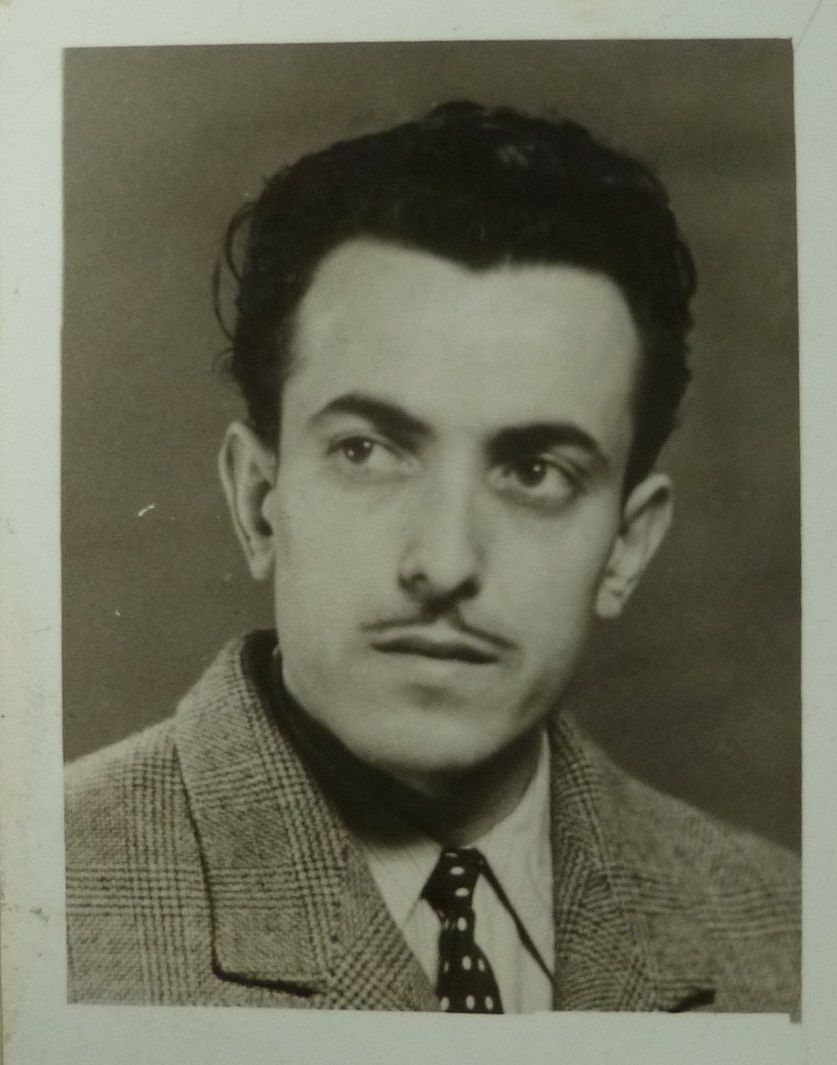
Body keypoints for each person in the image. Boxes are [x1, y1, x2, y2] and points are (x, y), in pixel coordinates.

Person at [64, 101, 799, 1014]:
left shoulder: (791, 938)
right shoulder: (39, 899)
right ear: (259, 501)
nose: (444, 562)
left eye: (534, 471)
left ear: (626, 546)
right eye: (366, 451)